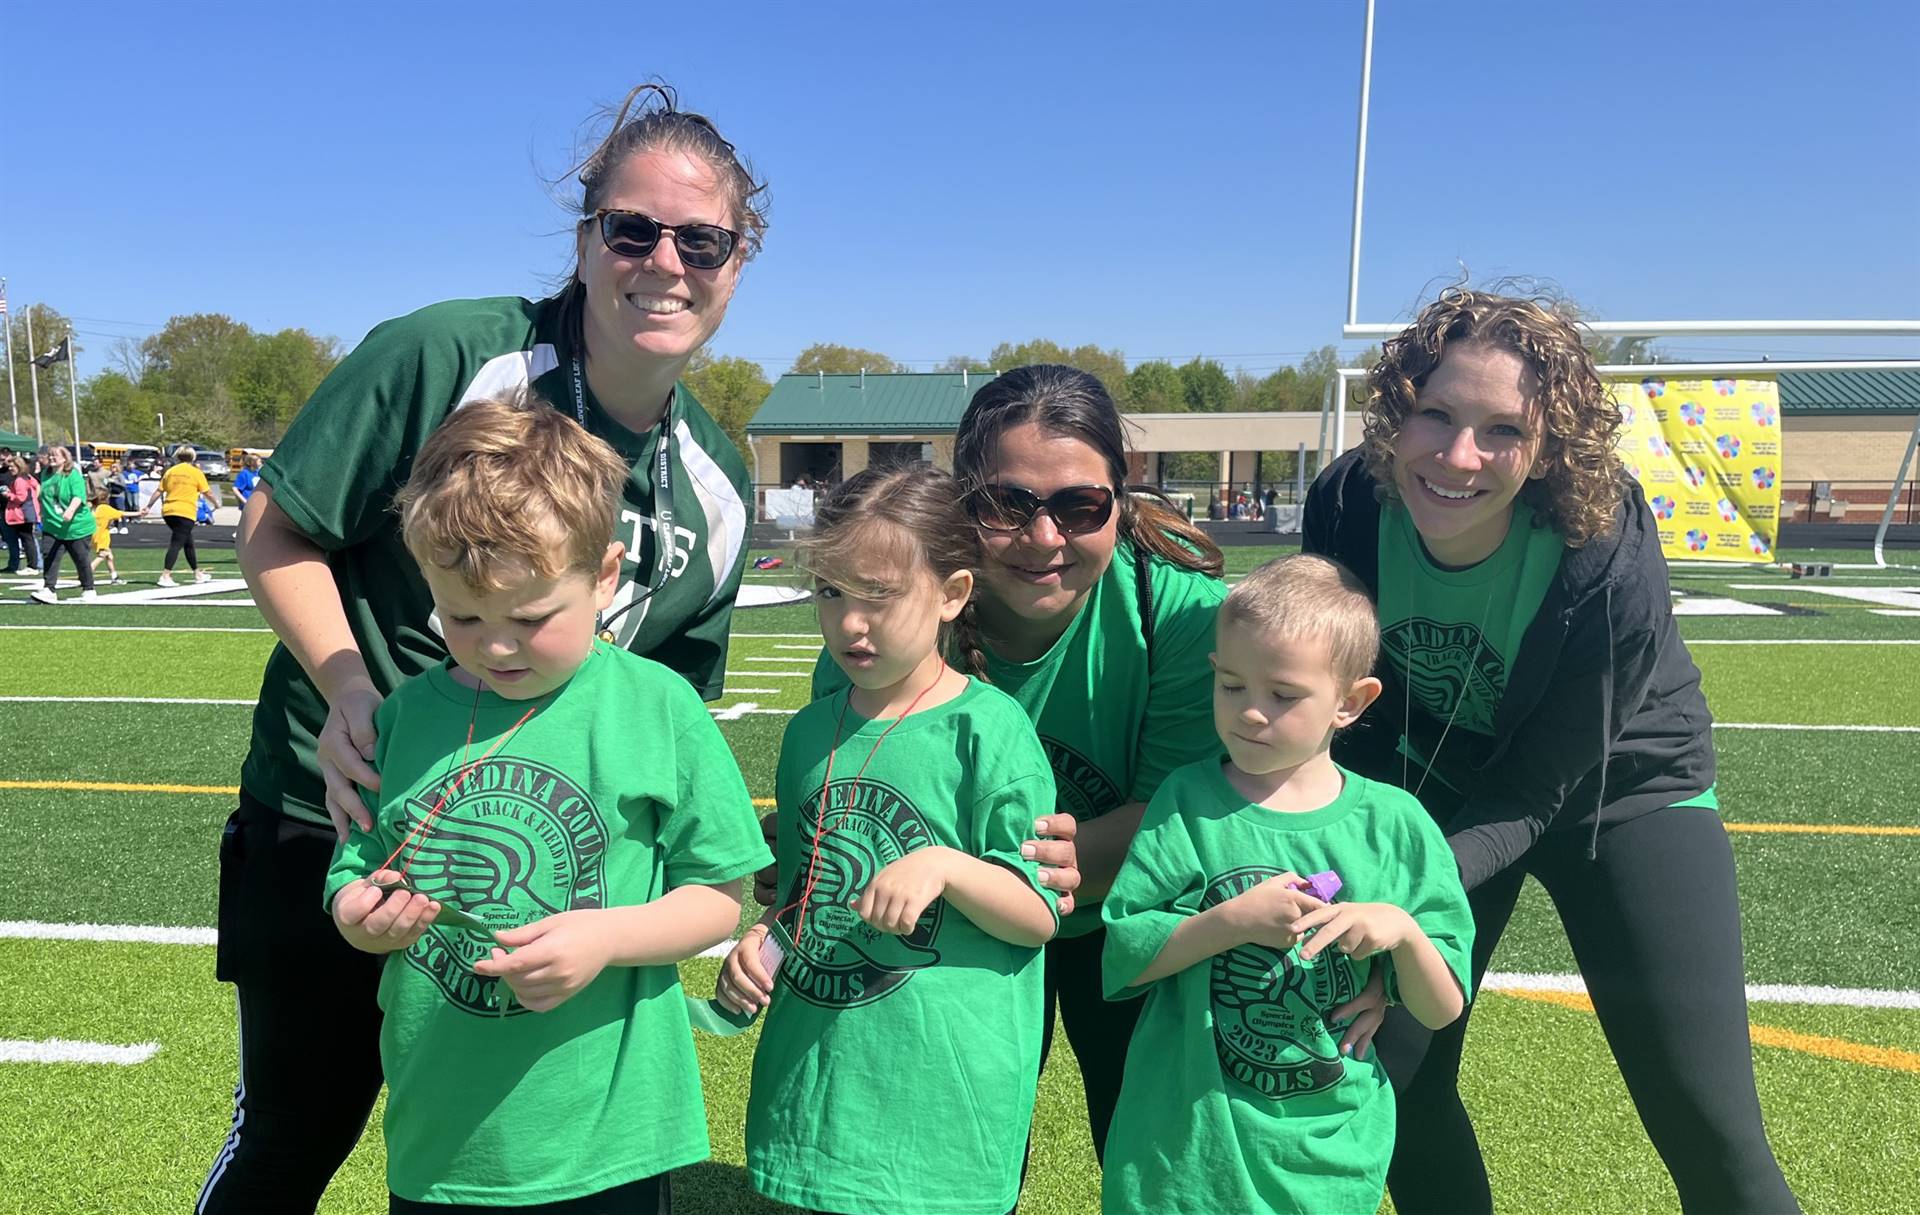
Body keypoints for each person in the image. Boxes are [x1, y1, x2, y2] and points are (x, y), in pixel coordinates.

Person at [201, 83, 767, 1214]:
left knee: (533, 1169)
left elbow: (671, 720)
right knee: (289, 1142)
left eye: (701, 238)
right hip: (345, 826)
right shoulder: (446, 353)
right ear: (586, 236)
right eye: (633, 228)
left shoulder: (719, 481)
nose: (665, 260)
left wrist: (626, 928)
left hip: (556, 885)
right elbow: (279, 528)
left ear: (737, 260)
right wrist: (351, 685)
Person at [1302, 289, 1800, 1213]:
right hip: (1443, 788)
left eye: (1502, 430)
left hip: (1623, 793)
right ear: (1395, 411)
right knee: (1395, 1079)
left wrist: (1410, 894)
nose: (1458, 456)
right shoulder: (1346, 505)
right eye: (1437, 415)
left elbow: (1538, 785)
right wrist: (1356, 858)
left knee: (1707, 1121)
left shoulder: (1602, 547)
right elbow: (1345, 708)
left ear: (1547, 449)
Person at [324, 397, 770, 1212]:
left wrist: (604, 935)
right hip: (441, 1133)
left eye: (530, 617)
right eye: (463, 614)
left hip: (608, 1136)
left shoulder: (657, 706)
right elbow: (356, 867)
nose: (495, 644)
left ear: (604, 577)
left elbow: (715, 900)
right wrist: (359, 914)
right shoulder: (404, 716)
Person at [722, 466, 1059, 1215]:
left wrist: (946, 865)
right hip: (818, 1087)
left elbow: (1037, 915)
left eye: (880, 594)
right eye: (832, 592)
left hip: (941, 1107)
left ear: (952, 593)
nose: (849, 622)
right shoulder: (813, 727)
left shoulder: (992, 729)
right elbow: (812, 893)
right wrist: (763, 942)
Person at [1100, 554, 1474, 1215]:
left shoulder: (1397, 825)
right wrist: (1231, 921)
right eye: (1232, 686)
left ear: (1351, 702)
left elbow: (1441, 1007)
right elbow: (1124, 956)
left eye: (1282, 694)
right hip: (1187, 1149)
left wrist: (1404, 932)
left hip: (1327, 1153)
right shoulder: (1185, 801)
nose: (1249, 713)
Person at [29, 444, 97, 604]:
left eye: (55, 456)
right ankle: (49, 589)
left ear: (65, 458)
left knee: (80, 558)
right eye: (50, 455)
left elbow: (78, 496)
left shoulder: (73, 475)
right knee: (49, 555)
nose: (52, 458)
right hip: (52, 525)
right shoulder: (45, 473)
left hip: (76, 526)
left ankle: (88, 588)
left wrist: (70, 510)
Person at [144, 444, 217, 587]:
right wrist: (216, 503)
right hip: (185, 511)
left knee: (188, 542)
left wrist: (148, 506)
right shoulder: (196, 472)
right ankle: (165, 575)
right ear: (193, 457)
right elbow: (207, 492)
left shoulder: (171, 471)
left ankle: (197, 573)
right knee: (176, 543)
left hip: (169, 511)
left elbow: (159, 491)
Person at [3, 454, 40, 573]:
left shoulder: (19, 480)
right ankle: (33, 565)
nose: (10, 469)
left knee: (27, 540)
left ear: (19, 466)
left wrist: (7, 494)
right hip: (28, 512)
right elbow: (36, 487)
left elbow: (21, 498)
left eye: (12, 467)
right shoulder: (27, 477)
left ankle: (32, 566)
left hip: (22, 514)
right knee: (28, 539)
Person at [89, 490, 127, 585]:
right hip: (102, 536)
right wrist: (139, 513)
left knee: (109, 556)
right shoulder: (105, 508)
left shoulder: (94, 508)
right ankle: (87, 573)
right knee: (102, 555)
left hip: (93, 534)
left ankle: (114, 577)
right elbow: (121, 513)